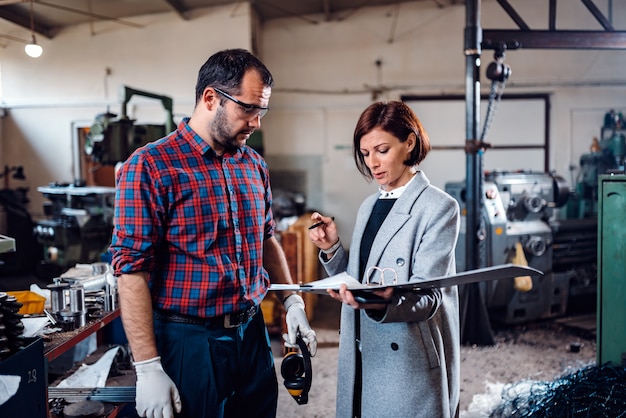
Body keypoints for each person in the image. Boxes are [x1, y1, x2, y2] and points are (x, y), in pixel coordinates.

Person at [109, 48, 317, 418]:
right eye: (248, 108)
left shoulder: (253, 165)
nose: (256, 122)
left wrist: (292, 301)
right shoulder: (152, 166)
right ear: (210, 98)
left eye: (262, 110)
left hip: (251, 333)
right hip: (189, 341)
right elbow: (131, 271)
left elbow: (266, 237)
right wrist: (147, 367)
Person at [309, 101, 460, 418]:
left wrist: (382, 302)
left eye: (381, 150)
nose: (372, 163)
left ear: (409, 143)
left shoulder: (439, 208)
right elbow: (355, 280)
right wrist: (331, 247)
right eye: (365, 154)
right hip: (360, 351)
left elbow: (429, 297)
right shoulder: (368, 206)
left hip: (406, 361)